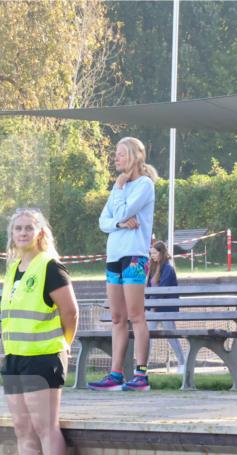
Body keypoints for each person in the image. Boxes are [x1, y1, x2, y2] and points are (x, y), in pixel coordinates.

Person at [0, 208, 78, 455]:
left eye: (28, 228)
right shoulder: (13, 268)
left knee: (45, 426)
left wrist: (65, 343)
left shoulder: (50, 267)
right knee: (23, 427)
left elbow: (70, 312)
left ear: (40, 233)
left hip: (43, 356)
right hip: (15, 358)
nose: (22, 233)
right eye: (17, 228)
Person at [88, 137, 158, 392]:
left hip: (135, 257)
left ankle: (141, 374)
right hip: (114, 256)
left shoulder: (144, 185)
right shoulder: (118, 188)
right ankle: (115, 373)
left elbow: (121, 211)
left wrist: (119, 196)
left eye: (120, 154)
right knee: (117, 317)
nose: (115, 158)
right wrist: (118, 224)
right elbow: (104, 221)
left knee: (136, 316)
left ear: (133, 157)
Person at [146, 240, 187, 373]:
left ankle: (182, 364)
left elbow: (163, 289)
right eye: (151, 253)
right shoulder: (152, 268)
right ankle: (142, 367)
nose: (152, 256)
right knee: (146, 337)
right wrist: (147, 305)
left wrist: (154, 304)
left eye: (154, 253)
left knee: (171, 336)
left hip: (165, 309)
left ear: (161, 253)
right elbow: (149, 288)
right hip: (153, 309)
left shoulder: (168, 269)